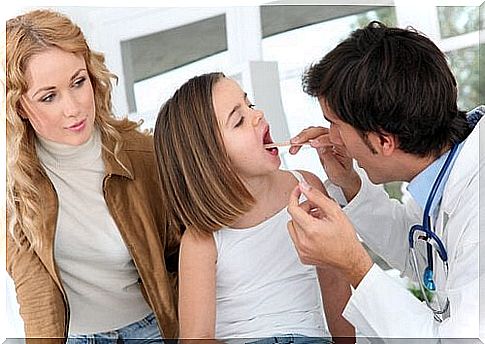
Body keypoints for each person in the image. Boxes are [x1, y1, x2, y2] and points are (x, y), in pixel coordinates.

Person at [287, 21, 483, 338]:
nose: (331, 138)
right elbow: (420, 254)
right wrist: (349, 182)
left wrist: (354, 265)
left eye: (335, 124)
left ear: (383, 141)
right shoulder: (442, 177)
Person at [5, 9, 180, 342]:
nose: (73, 108)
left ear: (92, 75)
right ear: (21, 107)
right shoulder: (18, 185)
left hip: (153, 330)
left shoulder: (143, 155)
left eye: (78, 82)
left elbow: (186, 254)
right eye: (49, 96)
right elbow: (37, 299)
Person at [153, 72, 355, 343]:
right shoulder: (202, 240)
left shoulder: (307, 187)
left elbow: (335, 285)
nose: (257, 114)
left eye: (249, 104)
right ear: (211, 161)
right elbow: (196, 338)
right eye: (238, 121)